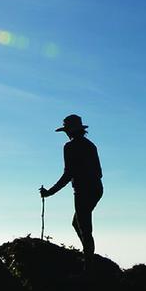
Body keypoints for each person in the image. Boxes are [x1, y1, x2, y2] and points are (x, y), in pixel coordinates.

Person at [39, 114, 103, 270]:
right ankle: (89, 258)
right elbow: (99, 172)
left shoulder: (70, 147)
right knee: (79, 223)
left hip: (83, 190)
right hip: (96, 188)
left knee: (84, 226)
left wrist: (50, 192)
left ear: (69, 131)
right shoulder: (90, 145)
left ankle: (89, 266)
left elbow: (68, 173)